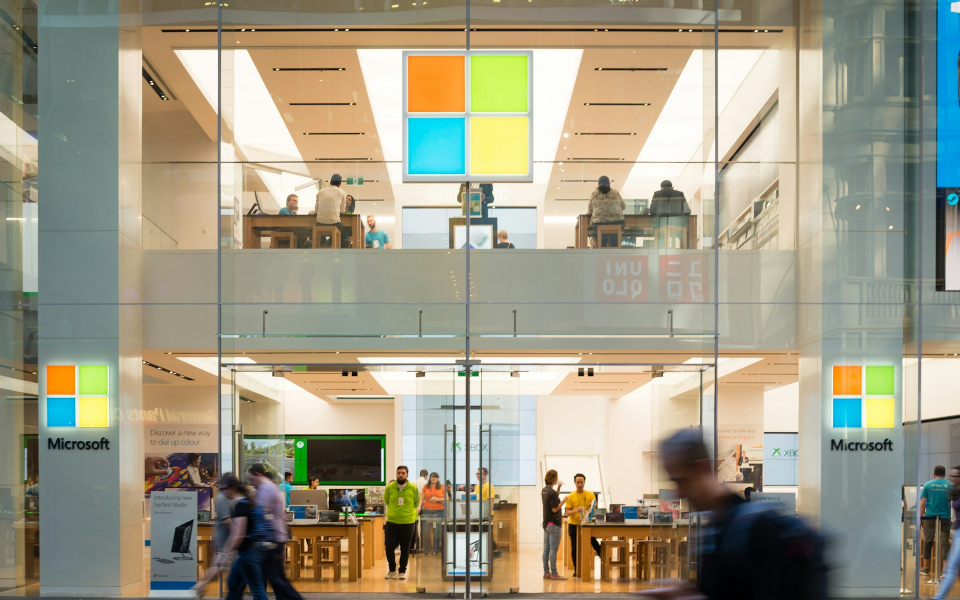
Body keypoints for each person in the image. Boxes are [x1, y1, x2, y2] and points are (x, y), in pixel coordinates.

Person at [649, 428, 827, 600]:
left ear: (702, 468)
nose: (678, 493)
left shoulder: (755, 528)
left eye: (681, 481)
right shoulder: (716, 526)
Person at [247, 463, 303, 600]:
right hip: (273, 539)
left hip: (271, 540)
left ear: (257, 474)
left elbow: (265, 516)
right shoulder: (267, 488)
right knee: (273, 578)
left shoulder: (266, 489)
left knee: (276, 579)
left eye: (251, 479)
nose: (251, 483)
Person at [219, 474, 269, 600]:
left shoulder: (241, 505)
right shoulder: (248, 502)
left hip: (249, 553)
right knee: (234, 585)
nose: (224, 492)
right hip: (249, 553)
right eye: (222, 489)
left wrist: (225, 553)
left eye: (225, 489)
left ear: (233, 488)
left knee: (257, 590)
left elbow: (239, 534)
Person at [194, 474, 239, 591]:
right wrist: (238, 532)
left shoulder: (227, 497)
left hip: (228, 537)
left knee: (225, 564)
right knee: (219, 564)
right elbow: (227, 520)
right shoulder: (222, 498)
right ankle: (200, 586)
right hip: (225, 538)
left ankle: (233, 589)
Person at [384, 465, 419, 579]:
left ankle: (402, 571)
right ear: (396, 474)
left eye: (403, 473)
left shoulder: (413, 488)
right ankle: (392, 569)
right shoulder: (389, 487)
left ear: (407, 475)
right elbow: (387, 501)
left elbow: (416, 502)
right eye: (398, 473)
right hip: (392, 521)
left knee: (405, 548)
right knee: (389, 547)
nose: (400, 475)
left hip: (408, 522)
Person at [564, 473, 600, 576]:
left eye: (582, 482)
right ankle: (577, 570)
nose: (580, 484)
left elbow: (594, 510)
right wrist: (576, 510)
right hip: (574, 525)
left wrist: (594, 506)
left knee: (594, 542)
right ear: (575, 483)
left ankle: (605, 560)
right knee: (575, 547)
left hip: (587, 524)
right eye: (578, 482)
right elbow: (567, 513)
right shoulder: (571, 496)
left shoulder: (590, 495)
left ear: (584, 483)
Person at [932, 465, 960, 600]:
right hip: (957, 530)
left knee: (951, 567)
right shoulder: (955, 490)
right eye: (951, 476)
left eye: (955, 476)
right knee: (950, 567)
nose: (952, 478)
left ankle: (938, 598)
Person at [921, 465, 953, 576]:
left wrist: (920, 518)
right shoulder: (950, 486)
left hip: (930, 517)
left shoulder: (927, 485)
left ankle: (926, 568)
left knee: (928, 542)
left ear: (934, 474)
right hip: (945, 517)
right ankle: (945, 570)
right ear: (944, 474)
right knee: (944, 543)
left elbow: (923, 503)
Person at [542, 469, 567, 580]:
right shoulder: (551, 492)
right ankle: (554, 573)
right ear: (554, 479)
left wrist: (559, 488)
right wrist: (564, 501)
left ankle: (546, 572)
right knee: (553, 549)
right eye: (557, 477)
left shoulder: (545, 490)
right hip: (554, 524)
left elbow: (553, 499)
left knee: (546, 549)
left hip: (547, 524)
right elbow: (555, 508)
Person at [586, 175, 625, 248]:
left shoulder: (594, 194)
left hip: (599, 224)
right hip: (617, 223)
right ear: (609, 184)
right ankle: (615, 249)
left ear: (598, 185)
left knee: (599, 240)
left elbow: (590, 210)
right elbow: (623, 206)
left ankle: (600, 248)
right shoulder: (616, 193)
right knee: (615, 240)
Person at [314, 174, 349, 247]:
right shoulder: (342, 193)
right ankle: (330, 243)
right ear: (340, 184)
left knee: (313, 232)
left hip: (320, 222)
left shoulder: (321, 191)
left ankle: (323, 242)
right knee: (345, 234)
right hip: (334, 222)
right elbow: (342, 211)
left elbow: (316, 210)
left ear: (330, 182)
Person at [419, 472, 445, 557]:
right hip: (427, 511)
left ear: (438, 479)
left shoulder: (442, 487)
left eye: (436, 477)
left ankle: (435, 550)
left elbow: (447, 499)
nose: (434, 478)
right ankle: (427, 549)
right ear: (430, 478)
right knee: (426, 532)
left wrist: (437, 499)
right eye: (433, 477)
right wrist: (419, 507)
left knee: (436, 532)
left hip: (438, 512)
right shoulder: (425, 487)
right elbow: (422, 498)